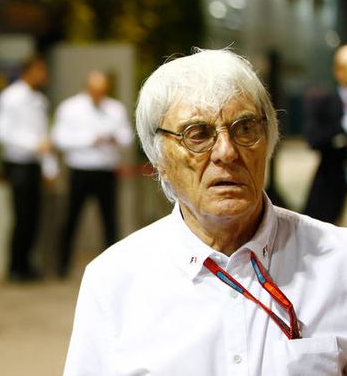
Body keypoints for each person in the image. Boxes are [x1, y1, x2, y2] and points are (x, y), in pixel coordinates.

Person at [63, 49, 347, 376]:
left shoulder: (337, 260)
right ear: (159, 161)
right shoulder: (114, 281)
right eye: (197, 134)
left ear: (268, 140)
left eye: (244, 129)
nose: (227, 152)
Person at [51, 70, 133, 277]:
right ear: (87, 88)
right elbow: (60, 138)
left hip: (106, 170)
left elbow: (127, 136)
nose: (99, 95)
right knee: (71, 217)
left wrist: (115, 138)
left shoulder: (115, 108)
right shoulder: (70, 108)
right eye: (95, 90)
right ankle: (61, 265)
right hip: (80, 169)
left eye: (102, 91)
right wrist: (89, 139)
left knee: (109, 219)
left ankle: (114, 267)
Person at [0, 55, 57, 281]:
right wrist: (32, 145)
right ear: (29, 71)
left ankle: (26, 263)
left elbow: (42, 136)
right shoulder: (11, 97)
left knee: (33, 216)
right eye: (41, 70)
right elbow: (1, 133)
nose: (44, 75)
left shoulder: (38, 99)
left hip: (33, 164)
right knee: (21, 215)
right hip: (17, 163)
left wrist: (49, 167)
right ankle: (15, 266)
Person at [303, 44, 347, 225]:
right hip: (332, 177)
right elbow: (313, 139)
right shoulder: (325, 102)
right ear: (337, 71)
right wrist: (340, 133)